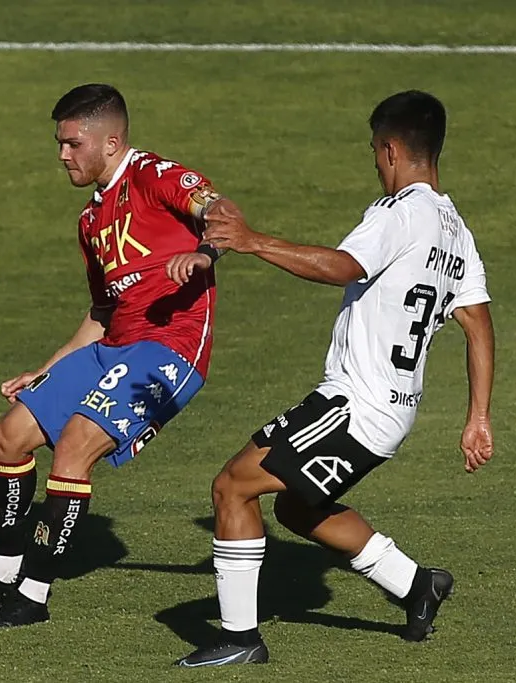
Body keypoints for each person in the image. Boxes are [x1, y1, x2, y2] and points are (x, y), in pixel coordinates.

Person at [171, 90, 496, 666]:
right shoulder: (456, 231)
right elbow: (478, 325)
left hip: (356, 404)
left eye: (375, 149)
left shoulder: (402, 214)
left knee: (232, 487)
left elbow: (344, 266)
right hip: (392, 409)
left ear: (392, 148)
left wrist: (252, 241)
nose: (374, 160)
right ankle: (416, 584)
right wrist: (477, 417)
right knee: (297, 509)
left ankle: (240, 640)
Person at [0, 83, 234, 628]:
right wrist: (46, 370)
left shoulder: (152, 176)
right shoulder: (91, 221)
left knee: (73, 450)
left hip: (170, 350)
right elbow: (102, 310)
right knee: (8, 436)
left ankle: (34, 594)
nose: (62, 155)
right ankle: (2, 568)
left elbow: (220, 210)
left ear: (110, 141)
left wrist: (203, 252)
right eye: (59, 143)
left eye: (72, 143)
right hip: (115, 345)